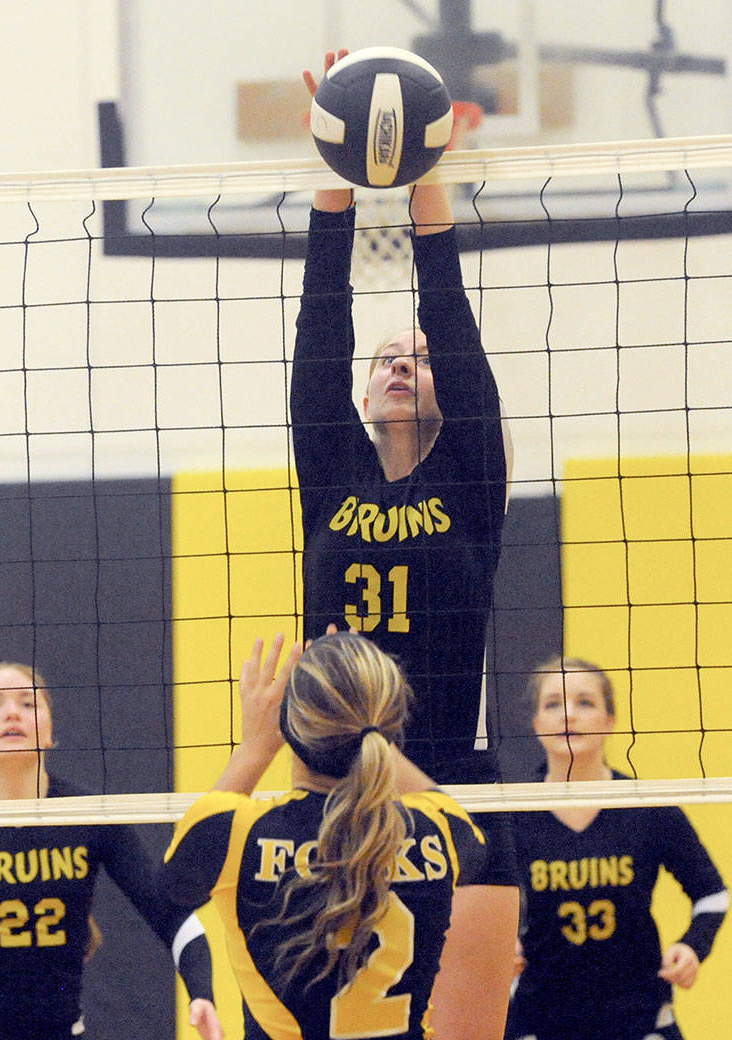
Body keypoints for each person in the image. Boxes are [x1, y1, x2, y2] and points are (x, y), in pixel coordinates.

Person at [293, 50, 517, 1037]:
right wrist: (337, 174)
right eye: (387, 357)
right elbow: (319, 328)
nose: (400, 362)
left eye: (414, 359)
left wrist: (420, 161)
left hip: (443, 778)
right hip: (327, 788)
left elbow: (452, 323)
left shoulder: (467, 479)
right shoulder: (330, 473)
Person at [0, 661, 222, 1040]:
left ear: (49, 732)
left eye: (28, 704)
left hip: (60, 1028)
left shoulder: (89, 815)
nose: (13, 712)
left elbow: (169, 910)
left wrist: (202, 994)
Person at [160, 631, 487, 1040]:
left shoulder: (234, 834)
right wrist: (363, 707)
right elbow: (471, 848)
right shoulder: (442, 827)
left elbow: (172, 890)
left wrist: (256, 747)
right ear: (389, 724)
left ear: (290, 726)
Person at [508, 656, 728, 1040]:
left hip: (640, 1018)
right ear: (536, 723)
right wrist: (495, 944)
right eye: (553, 704)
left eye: (585, 702)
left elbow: (712, 894)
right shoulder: (509, 814)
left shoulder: (649, 808)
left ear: (610, 720)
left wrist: (693, 947)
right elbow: (463, 901)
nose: (568, 715)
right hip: (539, 1020)